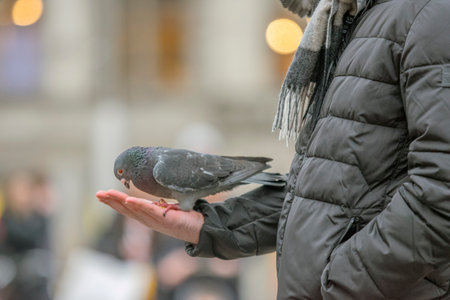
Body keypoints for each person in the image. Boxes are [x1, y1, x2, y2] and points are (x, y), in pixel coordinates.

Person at [97, 0, 450, 298]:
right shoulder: (349, 19)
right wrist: (209, 226)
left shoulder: (429, 15)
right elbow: (324, 194)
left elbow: (441, 191)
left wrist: (338, 284)